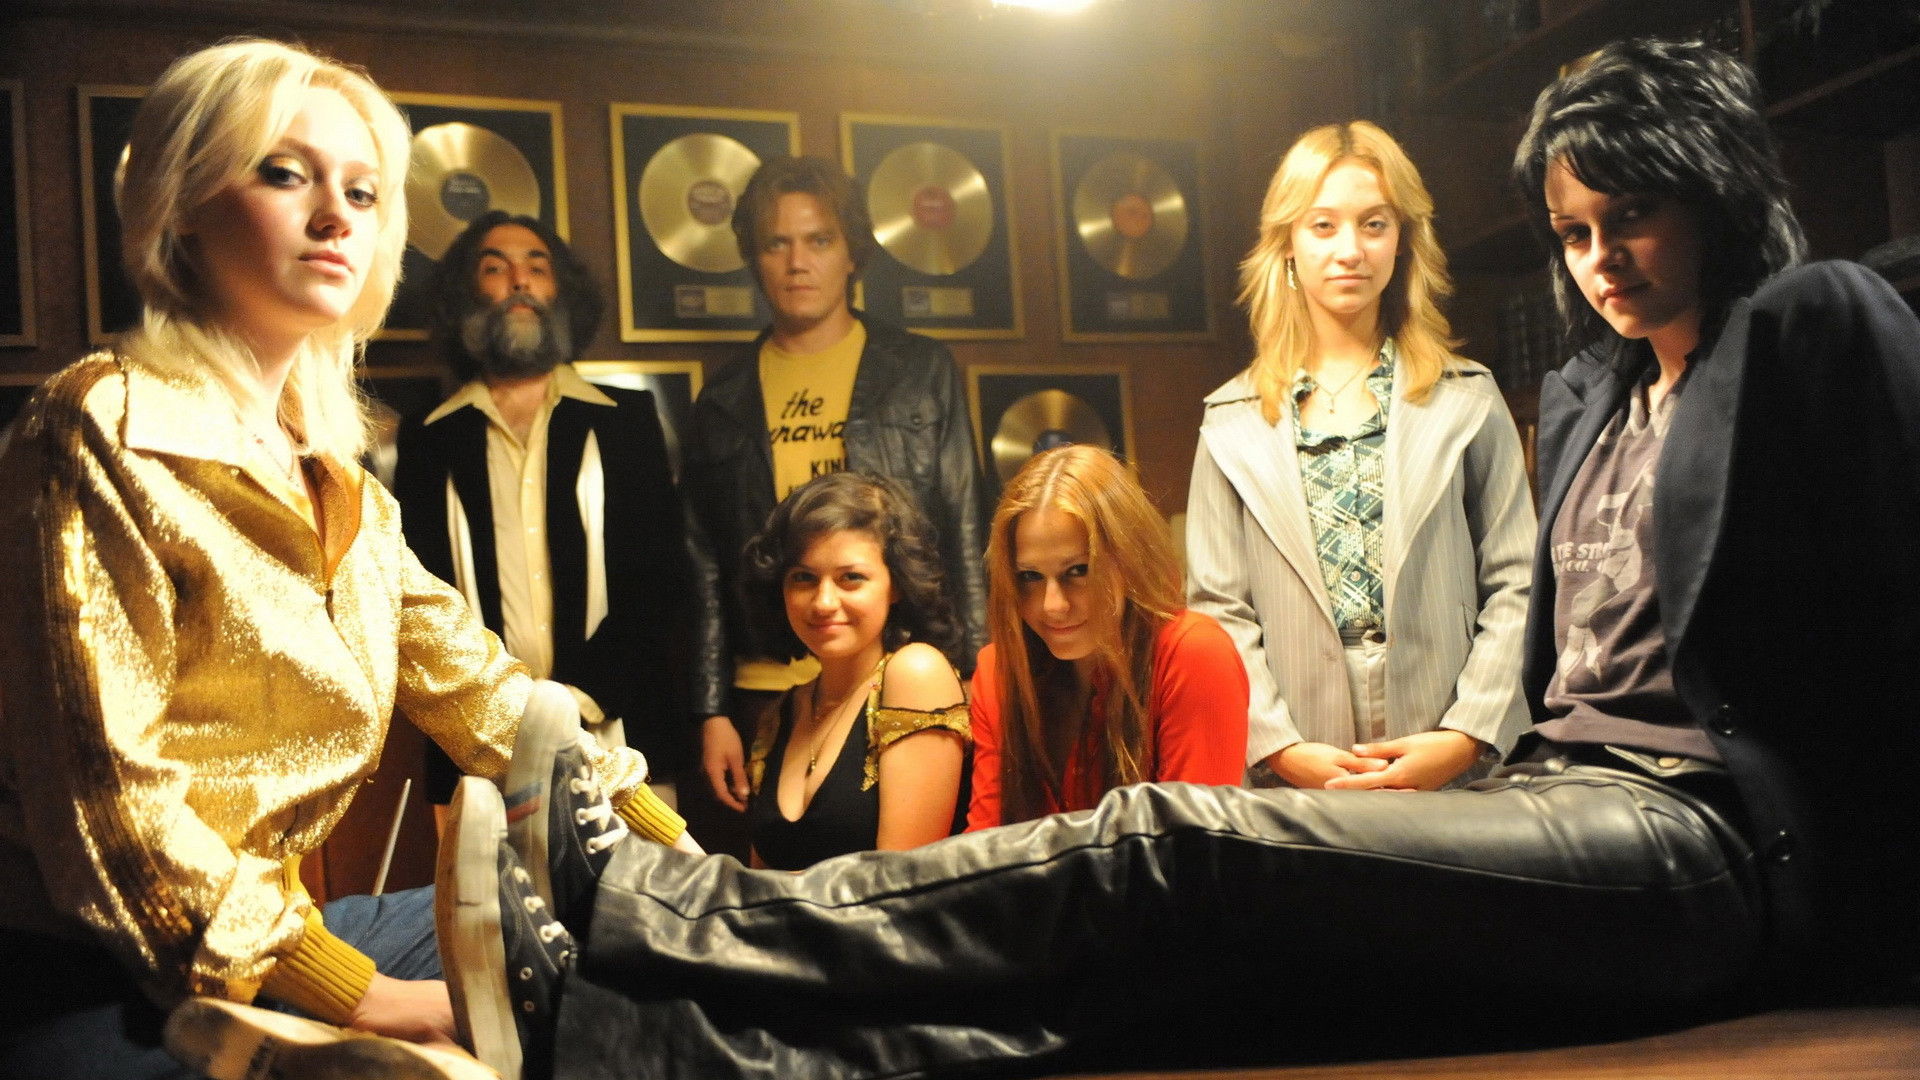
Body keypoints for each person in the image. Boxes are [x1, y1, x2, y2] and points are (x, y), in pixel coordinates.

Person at [251, 37, 1917, 1080]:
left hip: (1712, 841)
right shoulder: (1595, 391)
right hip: (1566, 800)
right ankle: (623, 1035)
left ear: (1711, 189)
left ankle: (651, 908)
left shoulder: (1809, 322)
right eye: (1570, 231)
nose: (1599, 259)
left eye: (1630, 217)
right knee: (1182, 991)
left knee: (1161, 841)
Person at [0, 39, 689, 1080]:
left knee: (643, 950)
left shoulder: (335, 476)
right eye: (286, 174)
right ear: (179, 204)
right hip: (100, 980)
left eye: (363, 192)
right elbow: (113, 815)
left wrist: (671, 854)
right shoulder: (97, 426)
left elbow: (487, 692)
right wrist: (377, 1003)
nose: (337, 216)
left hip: (277, 952)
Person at [1186, 120, 1534, 792]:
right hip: (1295, 764)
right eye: (1323, 226)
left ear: (1403, 239)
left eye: (1374, 224)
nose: (1350, 250)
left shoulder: (1468, 396)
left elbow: (1517, 580)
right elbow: (1217, 609)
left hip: (1450, 754)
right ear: (1287, 242)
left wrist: (1467, 734)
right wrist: (1279, 747)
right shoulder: (1230, 420)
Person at [681, 155, 992, 847]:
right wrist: (711, 709)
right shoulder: (724, 395)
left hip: (896, 667)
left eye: (818, 239)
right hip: (766, 685)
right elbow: (702, 564)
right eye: (777, 243)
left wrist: (975, 672)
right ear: (754, 259)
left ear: (852, 252)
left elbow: (965, 525)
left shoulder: (918, 370)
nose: (798, 262)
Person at [393, 209, 713, 809]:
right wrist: (502, 714)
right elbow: (422, 602)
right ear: (466, 294)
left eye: (536, 267)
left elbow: (659, 579)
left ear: (560, 290)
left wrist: (576, 701)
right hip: (477, 752)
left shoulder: (627, 422)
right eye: (495, 268)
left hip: (621, 737)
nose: (520, 281)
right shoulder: (428, 440)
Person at [968, 446, 1247, 829]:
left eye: (1078, 570)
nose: (1053, 605)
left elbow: (1190, 848)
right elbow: (984, 844)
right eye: (1030, 576)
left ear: (1130, 560)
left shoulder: (1192, 652)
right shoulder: (999, 669)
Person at [738, 472, 970, 869]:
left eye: (851, 578)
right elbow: (760, 885)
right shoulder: (779, 714)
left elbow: (899, 883)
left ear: (897, 585)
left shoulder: (916, 673)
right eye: (803, 578)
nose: (824, 602)